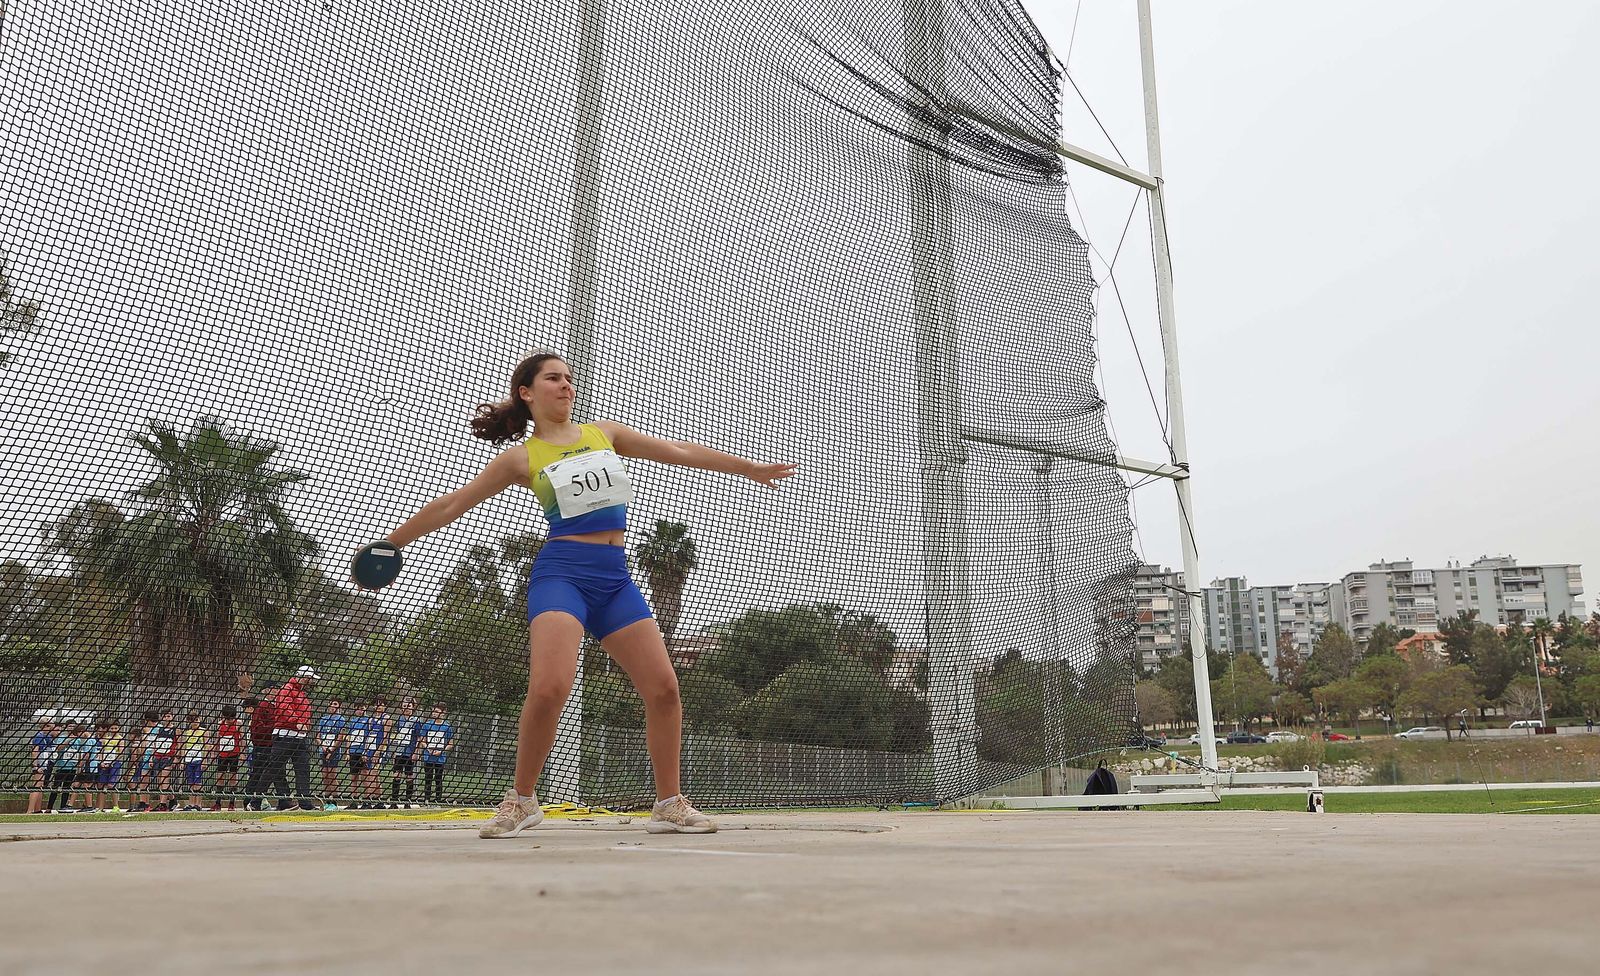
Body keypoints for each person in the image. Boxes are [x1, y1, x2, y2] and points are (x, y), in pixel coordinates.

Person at [370, 351, 795, 838]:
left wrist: (749, 468)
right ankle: (522, 800)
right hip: (563, 574)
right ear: (527, 393)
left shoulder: (604, 435)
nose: (566, 385)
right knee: (551, 686)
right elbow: (453, 504)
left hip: (614, 577)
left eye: (569, 378)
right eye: (553, 378)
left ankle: (669, 803)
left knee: (665, 688)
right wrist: (391, 544)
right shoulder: (521, 457)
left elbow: (678, 450)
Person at [264, 666, 320, 811]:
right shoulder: (287, 688)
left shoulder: (301, 693)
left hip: (299, 737)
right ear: (305, 677)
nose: (312, 682)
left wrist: (305, 724)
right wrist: (297, 721)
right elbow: (283, 706)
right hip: (285, 735)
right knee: (275, 768)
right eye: (310, 679)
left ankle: (304, 803)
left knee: (303, 769)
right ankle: (256, 799)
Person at [241, 692, 277, 810]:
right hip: (256, 748)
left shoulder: (257, 714)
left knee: (259, 775)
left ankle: (256, 801)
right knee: (257, 775)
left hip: (260, 748)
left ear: (250, 707)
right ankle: (251, 800)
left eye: (245, 708)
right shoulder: (254, 717)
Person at [387, 699, 423, 808]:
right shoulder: (400, 719)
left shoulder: (416, 721)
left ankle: (408, 802)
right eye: (404, 706)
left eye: (409, 706)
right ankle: (394, 802)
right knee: (396, 775)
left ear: (413, 707)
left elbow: (419, 738)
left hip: (410, 752)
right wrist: (395, 751)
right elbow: (398, 736)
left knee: (409, 777)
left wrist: (416, 752)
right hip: (399, 752)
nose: (406, 708)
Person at [418, 705, 455, 805]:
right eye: (433, 711)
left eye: (436, 711)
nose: (434, 713)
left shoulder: (447, 727)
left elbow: (451, 744)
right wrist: (427, 748)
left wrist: (441, 751)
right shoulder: (427, 725)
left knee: (438, 779)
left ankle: (438, 800)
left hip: (440, 758)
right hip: (428, 757)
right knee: (428, 778)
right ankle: (427, 799)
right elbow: (422, 740)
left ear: (443, 713)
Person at [213, 705, 244, 811]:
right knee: (220, 777)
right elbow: (217, 738)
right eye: (228, 718)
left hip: (234, 754)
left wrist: (243, 753)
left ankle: (232, 803)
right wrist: (214, 751)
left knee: (233, 778)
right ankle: (218, 803)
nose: (230, 720)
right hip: (222, 755)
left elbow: (242, 739)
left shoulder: (238, 724)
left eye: (232, 718)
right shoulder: (220, 724)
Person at [315, 699, 347, 803]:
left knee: (332, 774)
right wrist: (323, 746)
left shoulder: (341, 719)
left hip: (334, 751)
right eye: (331, 704)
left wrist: (331, 750)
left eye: (335, 704)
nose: (332, 706)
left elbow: (340, 737)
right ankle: (326, 799)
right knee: (325, 775)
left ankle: (334, 800)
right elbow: (318, 736)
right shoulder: (323, 719)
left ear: (339, 706)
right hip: (323, 750)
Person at [27, 718, 56, 814]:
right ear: (45, 726)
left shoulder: (47, 737)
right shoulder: (39, 736)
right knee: (37, 786)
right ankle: (30, 810)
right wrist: (36, 766)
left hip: (44, 764)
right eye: (50, 727)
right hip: (39, 764)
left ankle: (37, 810)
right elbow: (35, 751)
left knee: (40, 787)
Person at [95, 721, 126, 812]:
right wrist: (102, 762)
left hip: (115, 763)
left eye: (116, 728)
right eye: (112, 728)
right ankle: (100, 808)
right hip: (105, 763)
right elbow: (102, 751)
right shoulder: (106, 739)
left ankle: (116, 806)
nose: (114, 730)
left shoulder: (120, 739)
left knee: (111, 785)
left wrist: (112, 762)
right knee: (101, 785)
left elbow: (121, 752)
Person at [180, 713, 208, 810]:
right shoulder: (187, 732)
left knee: (198, 783)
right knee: (191, 782)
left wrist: (205, 760)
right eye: (192, 720)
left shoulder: (204, 732)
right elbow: (184, 746)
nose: (195, 722)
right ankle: (191, 803)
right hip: (188, 760)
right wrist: (182, 761)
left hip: (199, 759)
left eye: (196, 719)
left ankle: (198, 804)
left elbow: (206, 746)